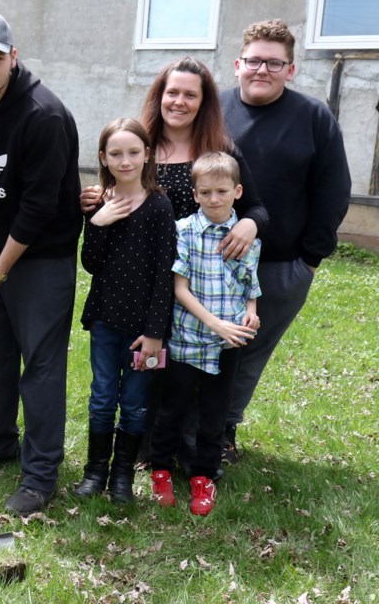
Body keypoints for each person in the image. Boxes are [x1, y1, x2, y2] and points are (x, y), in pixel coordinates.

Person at [81, 56, 269, 467]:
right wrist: (93, 202)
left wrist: (250, 226)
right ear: (159, 96)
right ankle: (150, 448)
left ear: (204, 102)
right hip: (145, 283)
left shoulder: (218, 150)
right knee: (147, 371)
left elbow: (254, 206)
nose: (179, 101)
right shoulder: (139, 146)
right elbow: (115, 192)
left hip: (198, 285)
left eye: (190, 94)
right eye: (172, 92)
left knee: (187, 372)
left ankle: (194, 448)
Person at [0, 11, 82, 516]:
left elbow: (38, 209)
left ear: (13, 58)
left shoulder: (42, 116)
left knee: (41, 364)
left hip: (41, 255)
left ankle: (41, 472)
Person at [220, 19, 351, 462]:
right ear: (238, 64)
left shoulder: (314, 117)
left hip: (279, 266)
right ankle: (171, 431)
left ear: (290, 70)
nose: (262, 69)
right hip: (207, 261)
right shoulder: (211, 110)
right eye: (254, 60)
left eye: (274, 63)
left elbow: (333, 191)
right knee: (193, 345)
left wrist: (309, 261)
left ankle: (223, 431)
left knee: (247, 352)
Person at [149, 151, 261, 516]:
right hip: (187, 340)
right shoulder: (183, 231)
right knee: (173, 408)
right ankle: (161, 469)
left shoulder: (246, 238)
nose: (214, 199)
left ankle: (204, 477)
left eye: (222, 191)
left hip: (229, 343)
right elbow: (179, 289)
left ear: (237, 191)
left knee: (215, 413)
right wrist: (214, 323)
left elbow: (249, 285)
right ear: (195, 194)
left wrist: (250, 315)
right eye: (207, 192)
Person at [76, 118, 175, 504]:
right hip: (104, 319)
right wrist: (97, 222)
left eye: (134, 152)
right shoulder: (100, 202)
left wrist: (154, 333)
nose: (126, 160)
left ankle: (121, 479)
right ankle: (94, 473)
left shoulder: (159, 206)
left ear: (147, 154)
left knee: (134, 403)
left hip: (143, 330)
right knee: (102, 395)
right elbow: (90, 263)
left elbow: (165, 273)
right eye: (116, 153)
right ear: (103, 157)